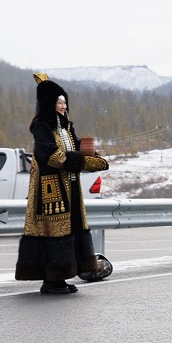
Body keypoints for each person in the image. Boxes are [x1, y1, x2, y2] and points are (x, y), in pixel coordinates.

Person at [16, 74, 110, 294]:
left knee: (70, 229)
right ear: (49, 103)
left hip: (70, 186)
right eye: (59, 102)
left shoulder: (66, 127)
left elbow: (77, 150)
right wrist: (81, 160)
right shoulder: (42, 127)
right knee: (54, 232)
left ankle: (62, 276)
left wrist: (94, 160)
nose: (63, 106)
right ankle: (51, 281)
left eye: (65, 102)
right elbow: (53, 157)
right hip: (50, 189)